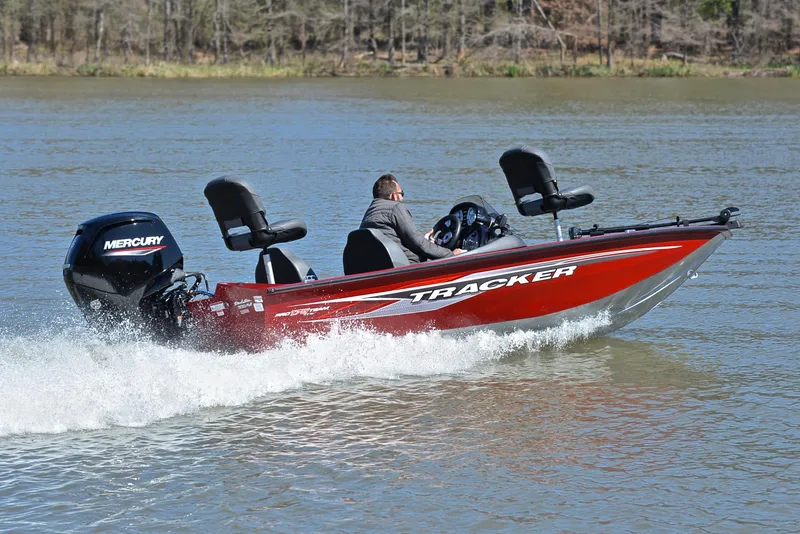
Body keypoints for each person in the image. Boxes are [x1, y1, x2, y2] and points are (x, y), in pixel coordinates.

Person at [360, 174, 465, 263]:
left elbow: (398, 240)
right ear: (394, 196)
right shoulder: (395, 207)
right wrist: (451, 254)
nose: (402, 198)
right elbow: (419, 244)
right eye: (402, 194)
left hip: (379, 266)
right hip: (403, 269)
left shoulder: (369, 214)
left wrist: (426, 242)